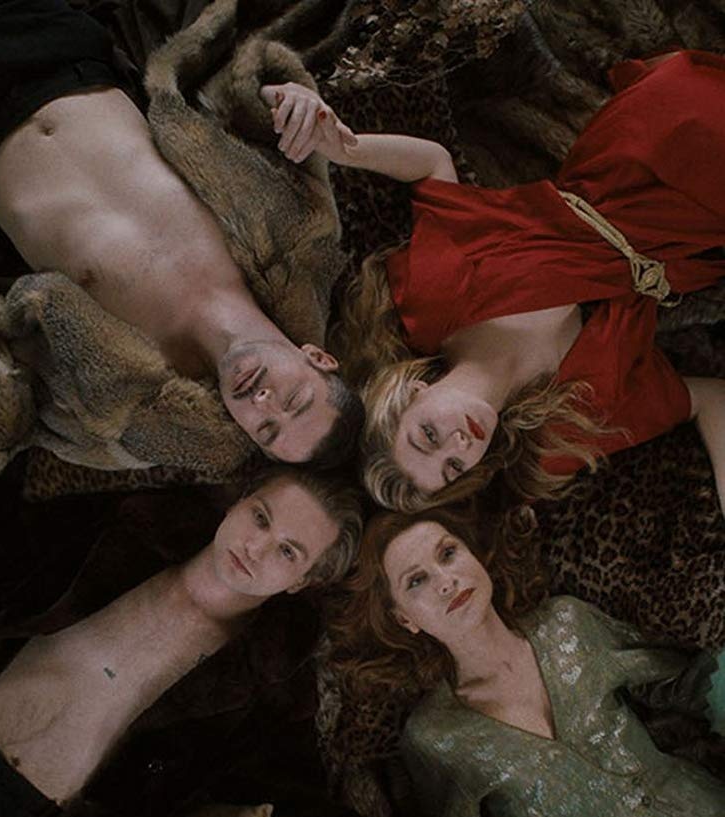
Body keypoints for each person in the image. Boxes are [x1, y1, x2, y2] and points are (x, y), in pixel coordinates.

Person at [0, 466, 435, 817]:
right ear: (238, 502)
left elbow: (298, 809)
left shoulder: (269, 685)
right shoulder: (120, 525)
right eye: (260, 518)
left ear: (303, 581)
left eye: (288, 551)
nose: (256, 547)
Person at [266, 51, 725, 510]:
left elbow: (433, 166)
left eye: (429, 435)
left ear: (413, 393)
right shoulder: (562, 435)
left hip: (638, 160)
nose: (460, 444)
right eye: (453, 467)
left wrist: (345, 149)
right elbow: (708, 396)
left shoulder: (435, 302)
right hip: (699, 246)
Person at [329, 505, 725, 817]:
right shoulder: (435, 735)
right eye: (417, 581)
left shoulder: (566, 623)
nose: (446, 582)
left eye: (448, 554)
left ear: (476, 555)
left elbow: (686, 679)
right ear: (403, 619)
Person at [0, 0, 364, 467]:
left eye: (266, 429)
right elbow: (237, 101)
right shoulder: (296, 238)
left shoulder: (132, 406)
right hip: (52, 46)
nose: (264, 402)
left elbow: (12, 409)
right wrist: (288, 100)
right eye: (294, 399)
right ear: (318, 358)